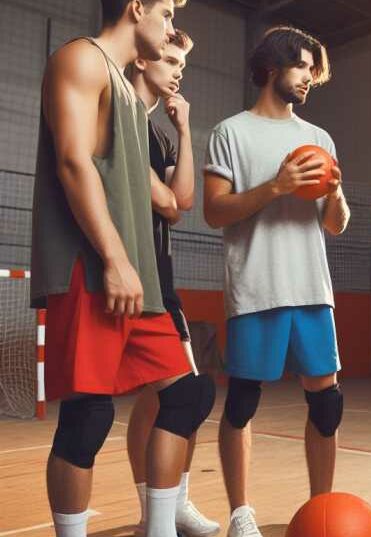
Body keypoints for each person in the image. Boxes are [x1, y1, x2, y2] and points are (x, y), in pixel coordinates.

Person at [30, 1, 215, 536]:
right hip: (91, 271)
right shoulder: (80, 59)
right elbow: (73, 159)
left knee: (186, 396)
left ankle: (158, 529)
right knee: (87, 417)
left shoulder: (136, 106)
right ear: (136, 7)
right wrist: (113, 258)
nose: (172, 26)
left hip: (138, 280)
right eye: (164, 10)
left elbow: (173, 202)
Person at [203, 26, 350, 537]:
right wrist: (275, 187)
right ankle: (241, 513)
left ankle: (323, 508)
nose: (310, 77)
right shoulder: (230, 132)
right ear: (272, 67)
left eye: (313, 69)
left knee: (327, 404)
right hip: (256, 288)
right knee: (243, 401)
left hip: (312, 289)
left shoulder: (319, 139)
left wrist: (334, 194)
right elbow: (215, 211)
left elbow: (335, 223)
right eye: (302, 66)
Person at [126, 27, 220, 537]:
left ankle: (170, 506)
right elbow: (165, 201)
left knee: (175, 396)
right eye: (171, 57)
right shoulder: (120, 118)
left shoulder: (158, 132)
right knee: (180, 395)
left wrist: (185, 131)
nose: (179, 68)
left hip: (162, 278)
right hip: (124, 278)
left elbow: (182, 205)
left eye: (184, 61)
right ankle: (155, 513)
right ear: (142, 58)